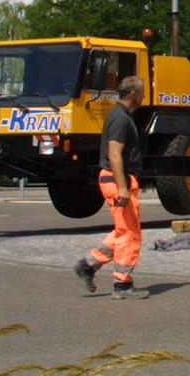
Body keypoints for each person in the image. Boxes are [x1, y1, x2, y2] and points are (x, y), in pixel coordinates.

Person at [73, 76, 149, 299]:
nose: (145, 95)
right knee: (129, 234)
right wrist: (123, 187)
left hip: (116, 179)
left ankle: (88, 265)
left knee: (122, 230)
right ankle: (122, 285)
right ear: (133, 94)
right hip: (117, 181)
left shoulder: (120, 116)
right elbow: (114, 154)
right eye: (142, 91)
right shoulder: (121, 119)